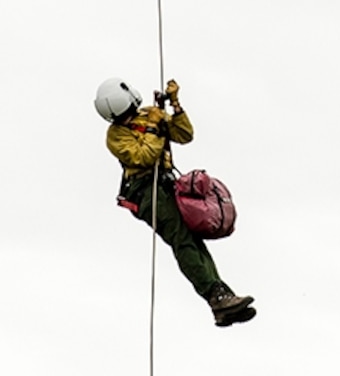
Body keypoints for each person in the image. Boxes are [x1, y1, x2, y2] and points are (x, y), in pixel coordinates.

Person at [96, 76, 256, 326]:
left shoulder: (148, 115)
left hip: (165, 185)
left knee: (193, 241)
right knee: (182, 240)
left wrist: (175, 106)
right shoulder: (116, 136)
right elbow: (145, 157)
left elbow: (184, 134)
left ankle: (221, 298)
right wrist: (154, 126)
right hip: (145, 191)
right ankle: (216, 296)